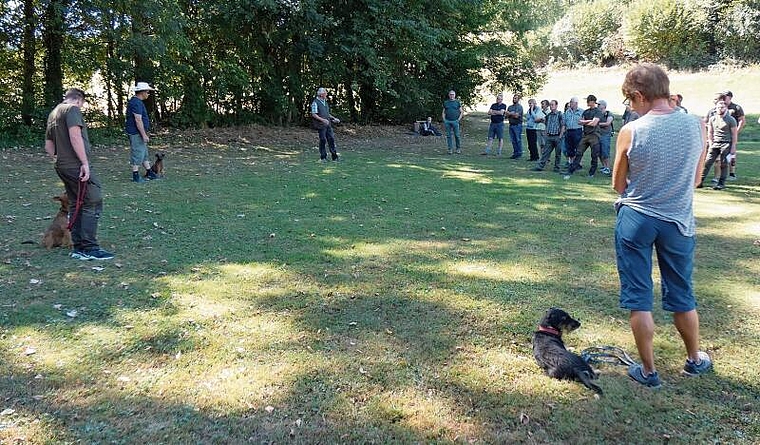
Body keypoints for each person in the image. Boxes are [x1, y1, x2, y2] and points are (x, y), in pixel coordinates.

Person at [613, 63, 712, 389]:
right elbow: (696, 179)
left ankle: (648, 370)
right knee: (683, 294)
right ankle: (695, 359)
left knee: (640, 297)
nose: (630, 107)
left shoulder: (632, 130)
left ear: (640, 96)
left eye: (630, 100)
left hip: (637, 219)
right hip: (679, 221)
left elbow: (618, 184)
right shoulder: (698, 126)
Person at [44, 88, 114, 260]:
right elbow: (75, 136)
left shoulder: (54, 113)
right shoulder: (72, 110)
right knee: (93, 200)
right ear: (79, 100)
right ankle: (89, 248)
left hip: (62, 166)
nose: (81, 107)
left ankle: (79, 247)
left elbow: (49, 146)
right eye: (82, 104)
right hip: (76, 166)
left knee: (76, 202)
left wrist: (59, 161)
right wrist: (84, 163)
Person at [698, 100, 737, 190]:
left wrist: (733, 147)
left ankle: (721, 184)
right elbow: (710, 132)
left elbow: (734, 135)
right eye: (718, 107)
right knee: (707, 163)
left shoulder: (731, 120)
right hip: (715, 143)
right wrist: (711, 143)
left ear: (726, 108)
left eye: (722, 107)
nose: (720, 109)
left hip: (726, 143)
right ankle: (700, 182)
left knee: (723, 164)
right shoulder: (713, 119)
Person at [126, 82, 160, 183]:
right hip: (136, 132)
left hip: (138, 132)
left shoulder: (136, 101)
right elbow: (138, 120)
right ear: (142, 92)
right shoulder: (136, 103)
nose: (148, 94)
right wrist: (143, 134)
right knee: (137, 153)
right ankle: (135, 176)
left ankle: (149, 172)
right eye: (147, 92)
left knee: (144, 152)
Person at [565, 94, 603, 177]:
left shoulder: (598, 112)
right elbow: (579, 122)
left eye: (588, 101)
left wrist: (585, 121)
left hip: (594, 135)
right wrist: (589, 121)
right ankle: (571, 170)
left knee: (594, 154)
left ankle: (592, 173)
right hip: (585, 135)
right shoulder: (586, 111)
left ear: (593, 102)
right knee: (578, 152)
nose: (587, 102)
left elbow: (594, 123)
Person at [532, 99, 565, 172]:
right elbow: (545, 123)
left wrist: (560, 136)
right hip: (549, 136)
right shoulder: (548, 115)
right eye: (550, 105)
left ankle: (557, 168)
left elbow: (563, 126)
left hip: (557, 136)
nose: (551, 106)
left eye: (553, 105)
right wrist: (546, 133)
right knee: (545, 152)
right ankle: (540, 166)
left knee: (558, 154)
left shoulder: (560, 114)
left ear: (556, 105)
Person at [311, 87, 341, 162]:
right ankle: (323, 157)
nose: (326, 94)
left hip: (328, 125)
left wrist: (334, 118)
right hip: (321, 125)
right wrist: (323, 120)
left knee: (331, 139)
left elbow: (327, 114)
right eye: (325, 93)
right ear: (321, 94)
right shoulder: (315, 102)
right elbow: (314, 114)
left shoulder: (325, 102)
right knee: (323, 140)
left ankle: (335, 157)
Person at [722, 91, 744, 180]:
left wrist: (736, 132)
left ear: (730, 97)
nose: (723, 98)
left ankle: (732, 173)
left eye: (725, 97)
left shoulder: (736, 108)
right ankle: (720, 174)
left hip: (731, 134)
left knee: (732, 154)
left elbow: (742, 121)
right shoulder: (720, 106)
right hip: (721, 135)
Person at [442, 90, 463, 154]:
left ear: (455, 95)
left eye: (453, 94)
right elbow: (443, 112)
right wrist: (444, 120)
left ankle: (458, 148)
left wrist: (458, 119)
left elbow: (461, 112)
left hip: (455, 121)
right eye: (450, 94)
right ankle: (450, 149)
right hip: (448, 121)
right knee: (448, 136)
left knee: (457, 135)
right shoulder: (446, 102)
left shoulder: (457, 102)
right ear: (449, 95)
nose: (452, 96)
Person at [563, 97, 583, 166]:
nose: (570, 103)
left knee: (578, 147)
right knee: (569, 147)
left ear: (576, 103)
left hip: (577, 131)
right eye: (570, 102)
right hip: (569, 131)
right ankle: (571, 163)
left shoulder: (581, 111)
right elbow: (564, 123)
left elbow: (584, 121)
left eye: (571, 102)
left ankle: (578, 163)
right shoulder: (567, 111)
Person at [597, 100, 613, 176]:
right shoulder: (598, 114)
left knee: (605, 151)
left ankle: (608, 167)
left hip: (605, 135)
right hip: (598, 134)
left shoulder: (609, 114)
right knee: (599, 152)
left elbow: (608, 123)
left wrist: (597, 123)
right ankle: (604, 166)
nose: (597, 105)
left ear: (603, 106)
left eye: (599, 104)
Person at [506, 94, 524, 159]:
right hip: (511, 125)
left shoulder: (520, 107)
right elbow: (506, 115)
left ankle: (519, 153)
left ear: (518, 99)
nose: (514, 99)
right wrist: (511, 114)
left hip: (517, 125)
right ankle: (515, 153)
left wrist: (510, 113)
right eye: (513, 98)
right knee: (513, 140)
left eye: (516, 98)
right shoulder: (510, 107)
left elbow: (517, 116)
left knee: (518, 139)